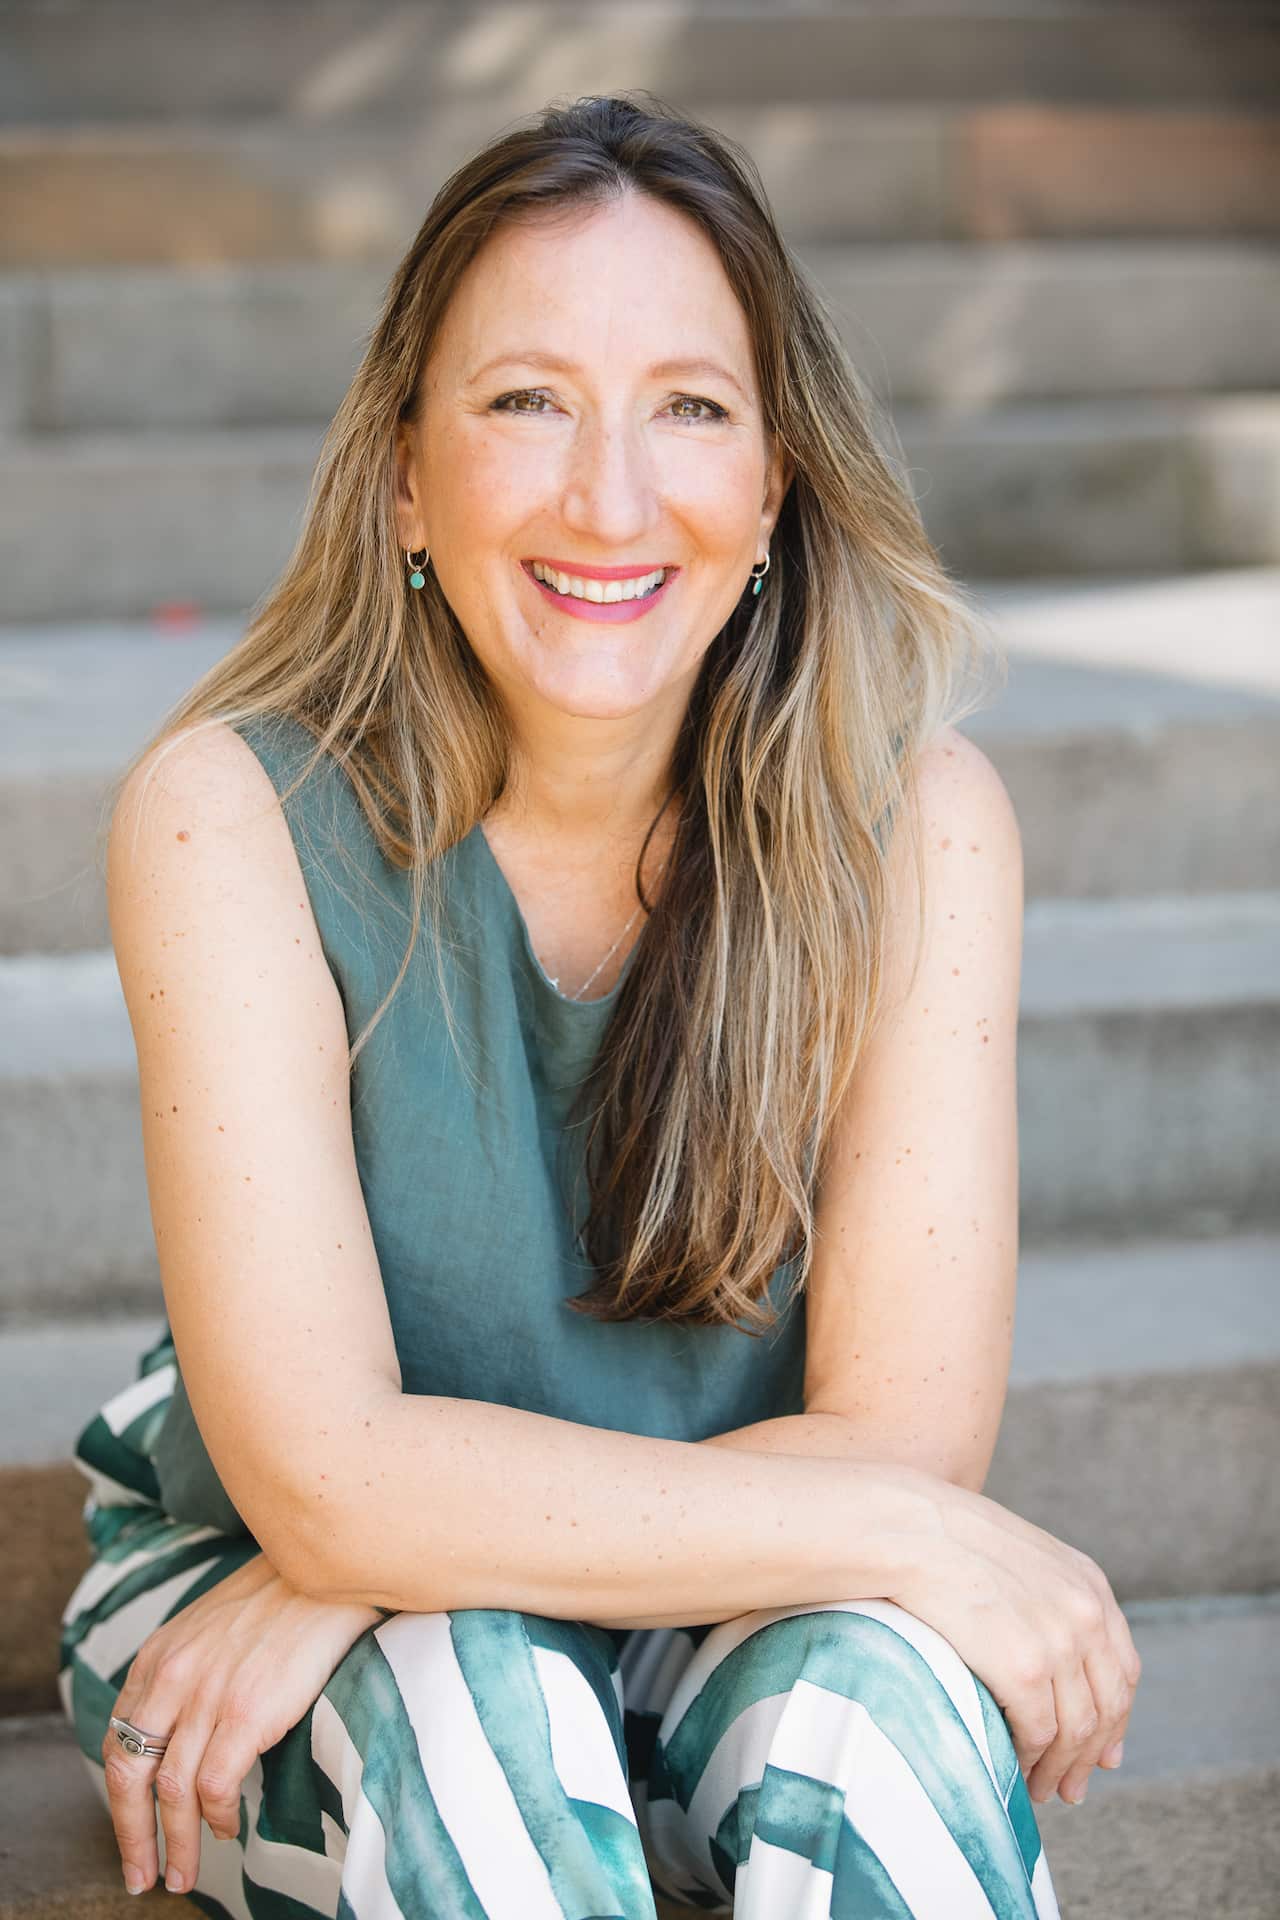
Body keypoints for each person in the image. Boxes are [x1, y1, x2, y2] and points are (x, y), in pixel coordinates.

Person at [56, 92, 1137, 1919]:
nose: (610, 497)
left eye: (692, 409)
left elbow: (909, 1433)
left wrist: (395, 1515)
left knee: (886, 1715)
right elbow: (316, 1473)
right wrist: (347, 1529)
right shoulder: (226, 816)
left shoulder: (920, 827)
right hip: (245, 1587)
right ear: (406, 467)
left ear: (776, 482)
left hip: (723, 1579)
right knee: (475, 1705)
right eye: (526, 400)